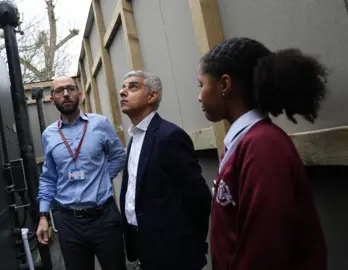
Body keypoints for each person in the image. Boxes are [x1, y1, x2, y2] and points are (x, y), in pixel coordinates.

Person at [197, 37, 328, 270]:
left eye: (201, 85)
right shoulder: (245, 142)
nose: (199, 96)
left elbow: (265, 247)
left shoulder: (264, 146)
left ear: (225, 85)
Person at [119, 70, 212, 270]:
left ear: (153, 96)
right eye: (123, 87)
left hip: (174, 253)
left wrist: (191, 245)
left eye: (132, 86)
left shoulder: (169, 136)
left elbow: (199, 198)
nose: (122, 92)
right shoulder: (135, 137)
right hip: (144, 247)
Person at [36, 76, 127, 270]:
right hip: (69, 223)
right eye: (59, 91)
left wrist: (102, 177)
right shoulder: (49, 135)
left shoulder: (100, 124)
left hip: (104, 217)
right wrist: (43, 216)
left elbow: (119, 156)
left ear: (79, 93)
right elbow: (48, 177)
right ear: (52, 98)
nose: (66, 94)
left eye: (70, 89)